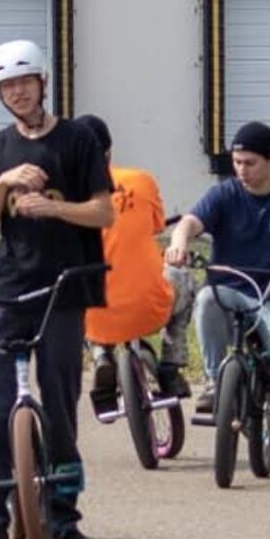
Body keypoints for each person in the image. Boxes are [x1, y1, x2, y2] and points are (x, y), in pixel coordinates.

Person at [0, 42, 112, 539]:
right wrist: (4, 182)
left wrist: (56, 210)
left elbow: (103, 212)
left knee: (61, 398)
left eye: (25, 82)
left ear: (43, 82)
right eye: (7, 87)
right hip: (9, 286)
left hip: (67, 285)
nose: (18, 92)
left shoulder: (77, 140)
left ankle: (63, 514)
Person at [165, 121, 270, 488]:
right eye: (237, 162)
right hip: (229, 288)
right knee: (207, 298)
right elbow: (190, 222)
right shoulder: (225, 194)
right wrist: (180, 241)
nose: (242, 170)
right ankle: (214, 381)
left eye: (250, 163)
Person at [76, 115, 193, 414]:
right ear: (109, 151)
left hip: (92, 315)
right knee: (182, 275)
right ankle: (171, 362)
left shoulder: (64, 197)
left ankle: (101, 354)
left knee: (74, 288)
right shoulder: (141, 181)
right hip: (148, 305)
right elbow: (154, 227)